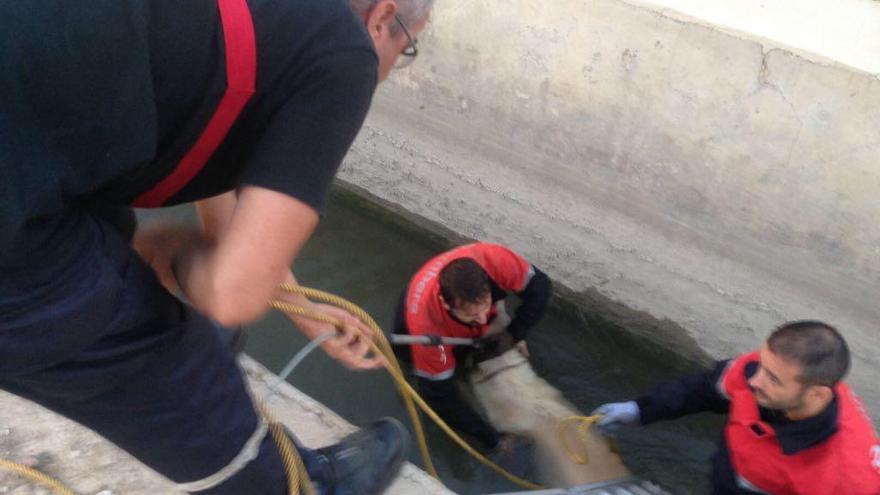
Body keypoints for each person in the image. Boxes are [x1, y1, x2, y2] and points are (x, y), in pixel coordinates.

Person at [0, 0, 433, 493]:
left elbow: (209, 153)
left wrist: (304, 310)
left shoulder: (261, 22)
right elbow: (232, 295)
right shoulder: (346, 51)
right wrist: (172, 248)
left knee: (113, 253)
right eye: (407, 46)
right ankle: (294, 485)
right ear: (383, 17)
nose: (392, 67)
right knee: (172, 367)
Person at [593, 321, 880, 495]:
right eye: (762, 365)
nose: (753, 380)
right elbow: (705, 388)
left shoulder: (846, 477)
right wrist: (642, 409)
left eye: (772, 378)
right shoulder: (766, 371)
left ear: (817, 395)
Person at [393, 242, 552, 450]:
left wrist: (516, 333)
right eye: (471, 315)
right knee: (440, 381)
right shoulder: (428, 330)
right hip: (417, 327)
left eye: (486, 306)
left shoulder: (495, 260)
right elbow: (440, 397)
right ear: (446, 303)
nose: (482, 317)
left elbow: (541, 287)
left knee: (488, 329)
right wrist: (491, 439)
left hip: (461, 302)